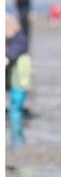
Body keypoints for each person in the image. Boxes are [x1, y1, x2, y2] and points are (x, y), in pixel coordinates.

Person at [6, 13, 31, 147]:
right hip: (17, 79)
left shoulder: (19, 39)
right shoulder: (15, 39)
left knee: (16, 105)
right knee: (15, 104)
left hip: (21, 80)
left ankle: (17, 133)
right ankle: (17, 135)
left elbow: (11, 54)